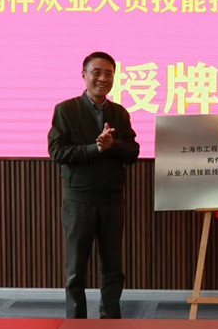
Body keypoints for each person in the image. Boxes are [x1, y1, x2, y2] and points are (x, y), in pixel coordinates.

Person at [48, 51, 140, 319]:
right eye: (96, 72)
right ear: (84, 75)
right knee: (76, 269)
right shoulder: (65, 110)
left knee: (113, 267)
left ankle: (110, 319)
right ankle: (76, 321)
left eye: (108, 74)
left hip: (112, 199)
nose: (103, 78)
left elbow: (133, 151)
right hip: (79, 200)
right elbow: (57, 152)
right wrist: (94, 149)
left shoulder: (119, 113)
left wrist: (113, 145)